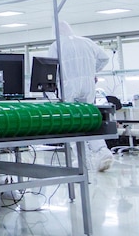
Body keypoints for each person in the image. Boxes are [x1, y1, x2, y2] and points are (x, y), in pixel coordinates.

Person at [47, 20, 113, 172]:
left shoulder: (56, 45)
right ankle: (102, 151)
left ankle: (82, 161)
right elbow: (104, 58)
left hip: (68, 86)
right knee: (89, 119)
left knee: (72, 123)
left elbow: (50, 67)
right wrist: (92, 71)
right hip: (88, 85)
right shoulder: (87, 42)